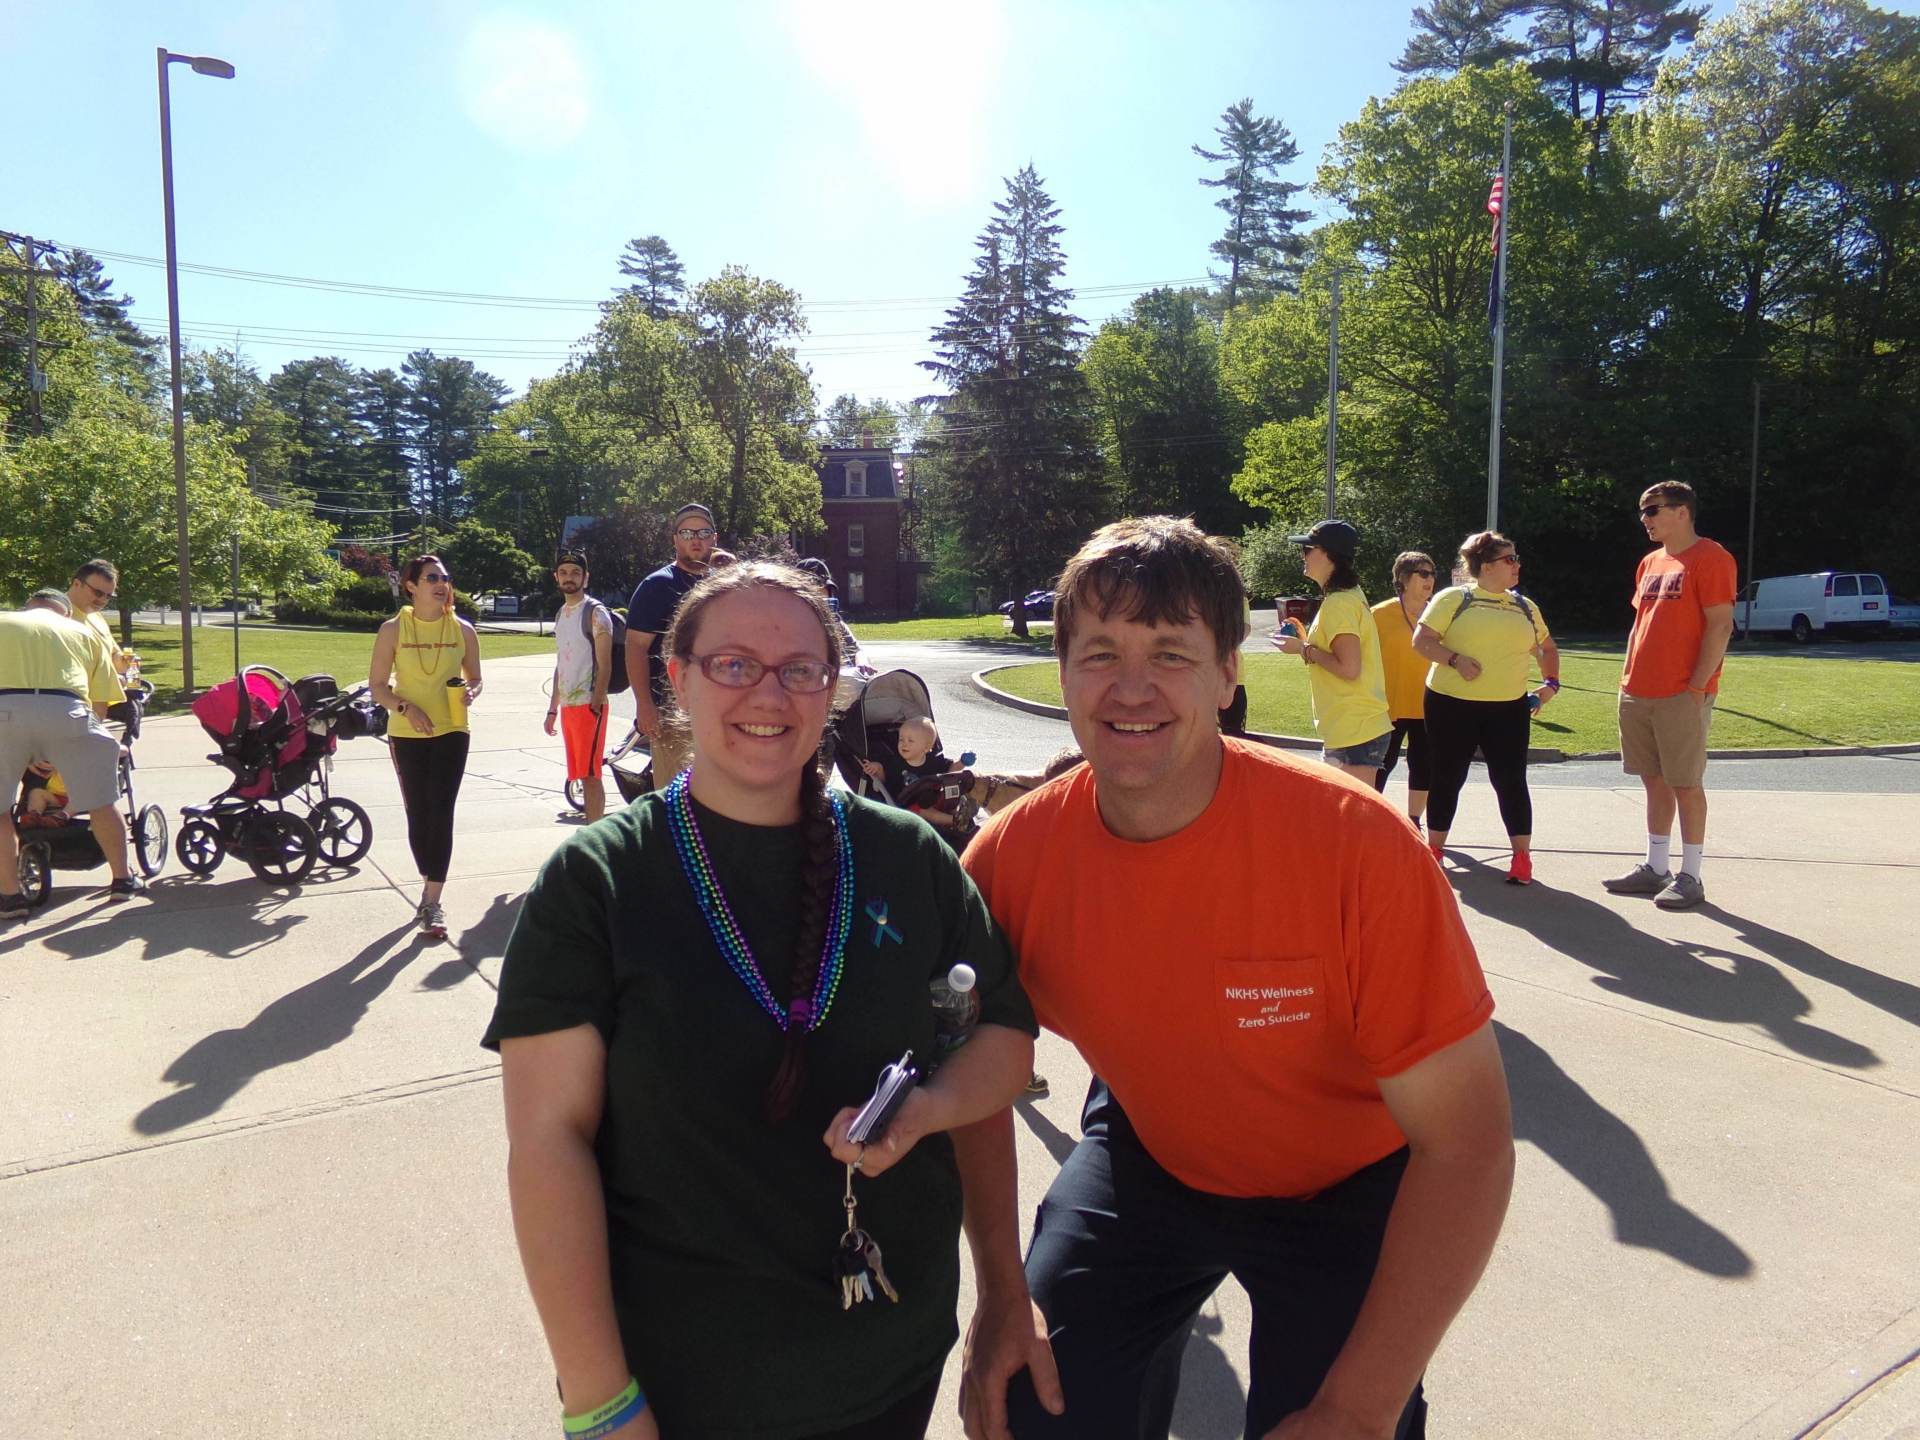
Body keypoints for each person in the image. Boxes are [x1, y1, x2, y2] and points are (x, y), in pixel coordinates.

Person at [955, 516, 1513, 1440]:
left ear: (1228, 675)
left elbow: (1469, 1146)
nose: (1131, 688)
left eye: (1171, 653)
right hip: (1154, 1152)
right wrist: (1000, 1298)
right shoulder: (1010, 861)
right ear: (1063, 674)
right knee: (1032, 1402)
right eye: (1099, 653)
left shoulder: (1353, 847)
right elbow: (973, 1072)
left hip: (1350, 1178)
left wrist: (1359, 1410)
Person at [485, 561, 1036, 1439]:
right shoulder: (596, 881)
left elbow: (1001, 1042)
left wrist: (929, 1108)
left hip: (889, 1359)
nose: (768, 693)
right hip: (686, 1384)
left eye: (801, 669)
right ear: (678, 678)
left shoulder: (908, 858)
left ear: (832, 689)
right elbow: (548, 1143)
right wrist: (600, 1398)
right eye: (734, 664)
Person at [1602, 480, 1738, 909]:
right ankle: (1655, 867)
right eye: (1643, 511)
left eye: (1653, 510)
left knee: (1685, 783)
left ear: (1682, 511)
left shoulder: (1711, 558)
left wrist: (1697, 686)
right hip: (1638, 689)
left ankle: (1691, 875)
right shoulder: (1650, 563)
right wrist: (1627, 677)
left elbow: (1720, 625)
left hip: (1682, 692)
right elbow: (1640, 624)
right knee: (1653, 780)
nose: (1646, 519)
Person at [1412, 532, 1560, 886]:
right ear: (1487, 565)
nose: (1517, 565)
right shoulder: (1454, 598)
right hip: (1450, 704)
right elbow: (1422, 641)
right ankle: (1435, 850)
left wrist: (1550, 684)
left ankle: (1522, 858)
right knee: (1448, 776)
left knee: (1510, 781)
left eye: (1516, 558)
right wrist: (1455, 659)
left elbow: (1548, 648)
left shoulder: (1525, 606)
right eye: (1510, 559)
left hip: (1508, 708)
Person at [0, 595, 142, 917]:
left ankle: (9, 897)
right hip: (68, 710)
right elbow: (101, 703)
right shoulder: (82, 633)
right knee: (101, 801)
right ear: (64, 613)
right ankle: (122, 880)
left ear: (28, 607)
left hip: (3, 710)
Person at [369, 554, 482, 938]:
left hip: (452, 729)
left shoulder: (463, 629)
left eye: (446, 578)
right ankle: (428, 877)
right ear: (411, 586)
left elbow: (476, 678)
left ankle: (433, 901)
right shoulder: (392, 630)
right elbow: (378, 687)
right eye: (432, 577)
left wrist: (472, 691)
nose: (442, 584)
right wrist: (405, 707)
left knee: (441, 808)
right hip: (406, 731)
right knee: (418, 814)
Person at [1269, 519, 1392, 784]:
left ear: (1328, 554)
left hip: (1355, 728)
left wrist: (1302, 649)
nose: (1303, 556)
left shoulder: (1339, 603)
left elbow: (1349, 668)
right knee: (1345, 818)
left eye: (1307, 550)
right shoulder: (1347, 596)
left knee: (1354, 820)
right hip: (1352, 727)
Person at [625, 503, 715, 789]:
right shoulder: (657, 586)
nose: (695, 539)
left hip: (719, 709)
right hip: (671, 712)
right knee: (676, 799)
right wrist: (644, 705)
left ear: (715, 537)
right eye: (687, 532)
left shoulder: (722, 585)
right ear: (675, 539)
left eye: (703, 531)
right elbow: (635, 647)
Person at [545, 549, 613, 822]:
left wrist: (596, 702)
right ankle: (591, 830)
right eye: (563, 573)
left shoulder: (596, 613)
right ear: (556, 577)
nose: (569, 578)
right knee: (580, 773)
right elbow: (561, 663)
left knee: (591, 774)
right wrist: (552, 709)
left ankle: (595, 836)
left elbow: (605, 664)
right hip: (569, 706)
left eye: (575, 573)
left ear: (586, 578)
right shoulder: (562, 614)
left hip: (589, 704)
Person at [1371, 552, 1438, 830]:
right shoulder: (1378, 614)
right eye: (1423, 573)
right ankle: (1371, 818)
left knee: (1424, 766)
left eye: (1432, 573)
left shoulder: (1441, 613)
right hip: (1390, 705)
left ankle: (1414, 822)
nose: (1430, 580)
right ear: (1403, 578)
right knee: (1382, 764)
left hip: (1428, 704)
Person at [65, 559, 137, 678]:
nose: (103, 600)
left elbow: (113, 656)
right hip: (75, 695)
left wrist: (124, 661)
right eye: (98, 593)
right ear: (77, 584)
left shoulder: (96, 617)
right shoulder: (56, 615)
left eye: (109, 596)